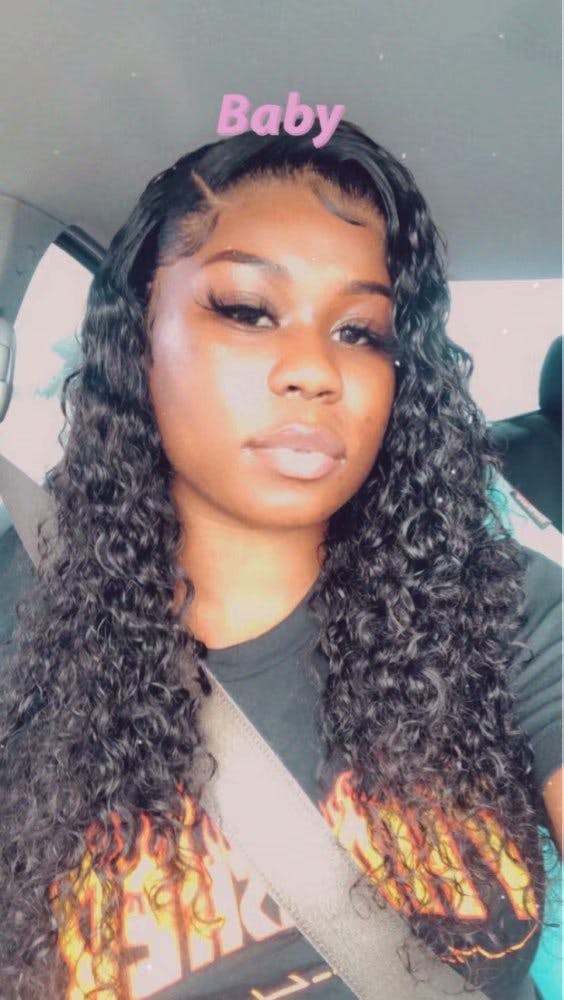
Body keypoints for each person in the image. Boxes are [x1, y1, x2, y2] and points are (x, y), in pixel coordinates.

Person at [0, 119, 561, 1000]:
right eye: (247, 310)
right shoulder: (20, 624)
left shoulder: (497, 603)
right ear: (137, 337)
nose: (314, 369)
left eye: (361, 331)